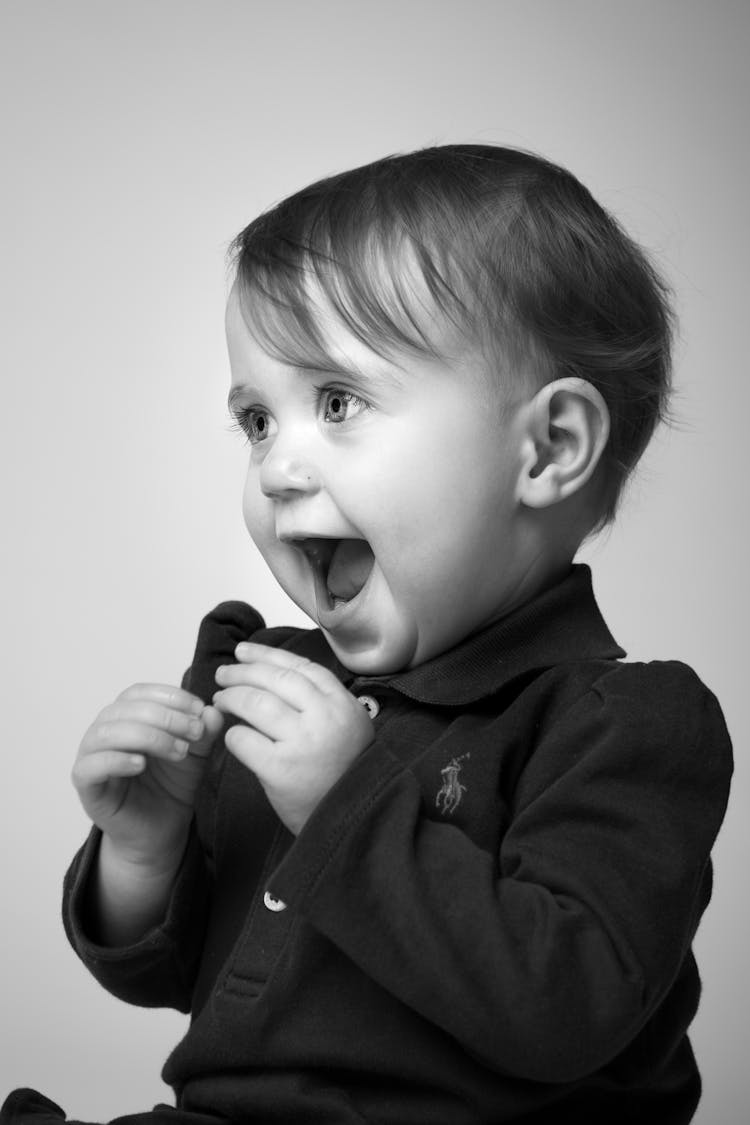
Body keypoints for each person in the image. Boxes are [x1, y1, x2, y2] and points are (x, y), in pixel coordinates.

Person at [2, 145, 732, 1125]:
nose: (276, 470)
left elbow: (566, 1008)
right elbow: (189, 981)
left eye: (336, 403)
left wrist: (350, 805)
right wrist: (143, 849)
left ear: (549, 447)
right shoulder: (274, 684)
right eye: (257, 421)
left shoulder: (622, 728)